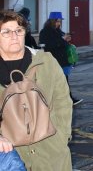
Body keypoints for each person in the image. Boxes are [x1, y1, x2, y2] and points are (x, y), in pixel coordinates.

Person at [0, 11, 72, 170]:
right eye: (6, 32)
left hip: (52, 153)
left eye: (19, 30)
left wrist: (62, 137)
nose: (14, 36)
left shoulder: (46, 62)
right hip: (12, 156)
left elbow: (63, 101)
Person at [39, 11, 82, 105]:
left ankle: (68, 99)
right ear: (51, 21)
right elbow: (48, 46)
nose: (59, 23)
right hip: (53, 60)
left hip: (62, 60)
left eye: (60, 21)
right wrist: (62, 40)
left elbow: (62, 44)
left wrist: (67, 40)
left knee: (64, 81)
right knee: (56, 82)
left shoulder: (59, 31)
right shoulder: (45, 32)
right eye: (57, 21)